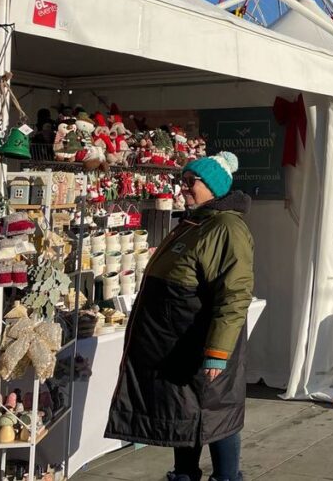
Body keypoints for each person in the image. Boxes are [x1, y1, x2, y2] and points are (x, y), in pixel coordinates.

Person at [106, 152, 254, 481]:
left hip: (204, 343)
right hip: (180, 344)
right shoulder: (196, 223)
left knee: (216, 416)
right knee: (186, 413)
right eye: (182, 181)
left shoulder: (226, 227)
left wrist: (217, 353)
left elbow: (235, 293)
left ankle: (226, 477)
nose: (183, 188)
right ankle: (184, 474)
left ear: (213, 186)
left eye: (192, 182)